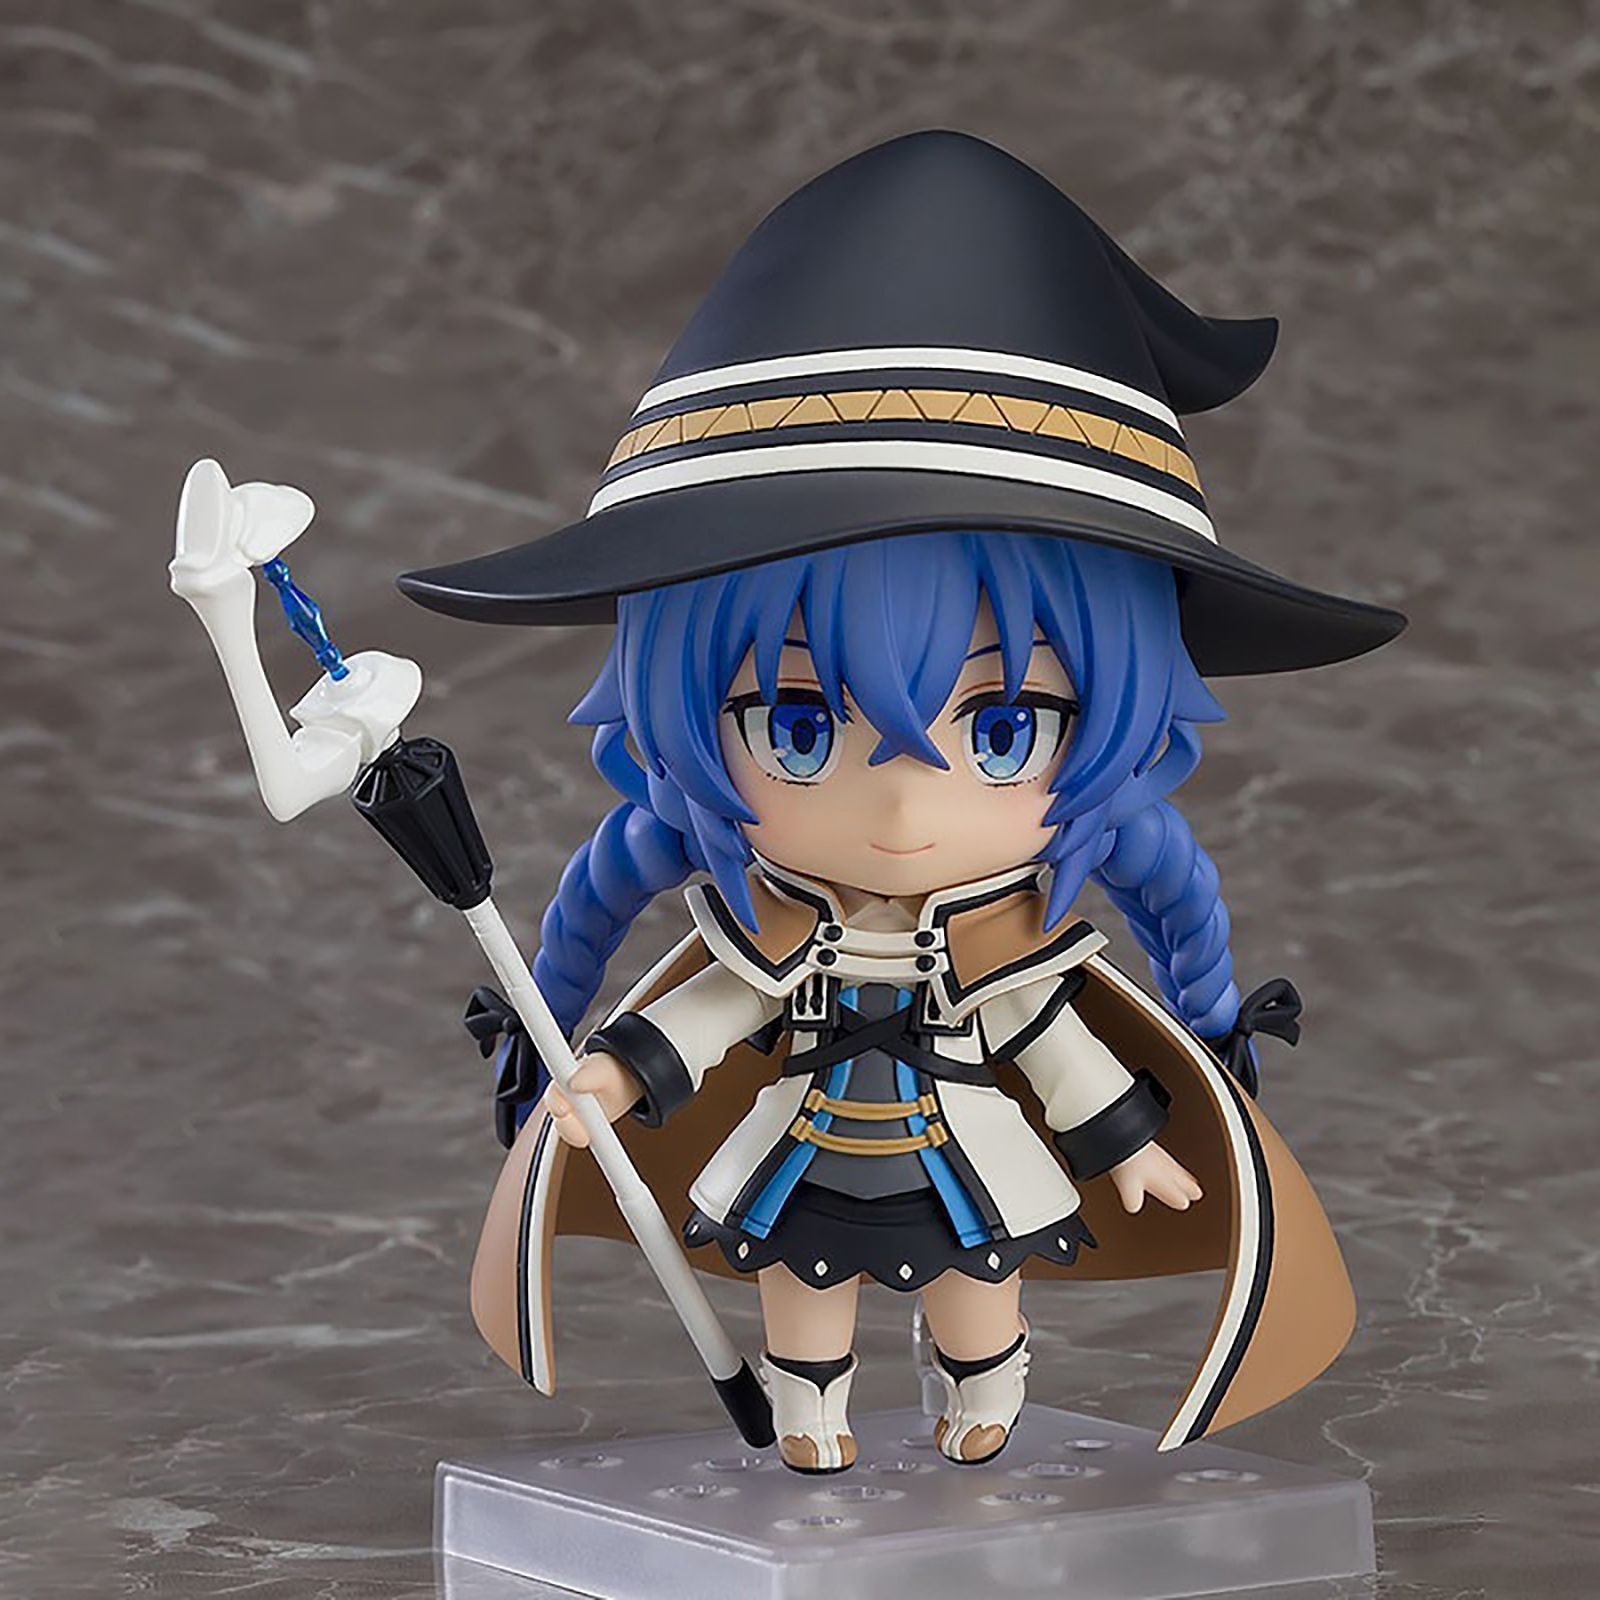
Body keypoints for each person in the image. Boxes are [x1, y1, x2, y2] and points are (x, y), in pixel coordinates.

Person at [399, 131, 1405, 1472]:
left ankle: (983, 1391)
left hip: (968, 1151)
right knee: (795, 1288)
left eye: (1002, 729)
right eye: (799, 728)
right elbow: (708, 1013)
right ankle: (809, 1410)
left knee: (979, 1284)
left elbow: (1052, 1041)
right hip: (800, 1147)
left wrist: (1131, 1145)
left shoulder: (999, 950)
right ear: (681, 723)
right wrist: (608, 1073)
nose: (900, 809)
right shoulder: (774, 938)